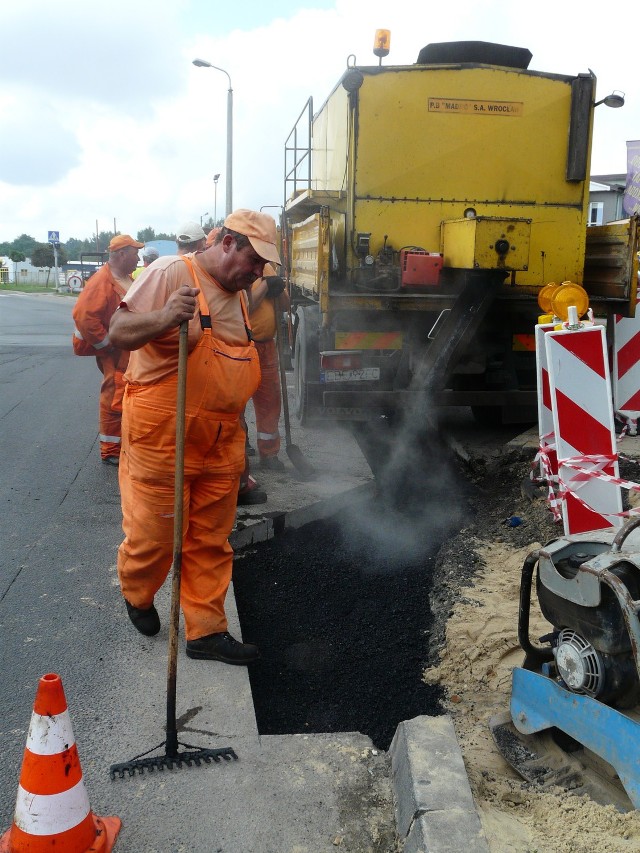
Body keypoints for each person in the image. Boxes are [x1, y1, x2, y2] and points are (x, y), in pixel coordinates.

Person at [109, 209, 281, 665]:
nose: (257, 272)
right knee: (156, 538)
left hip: (220, 445)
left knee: (210, 540)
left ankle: (205, 631)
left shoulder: (241, 295)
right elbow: (118, 331)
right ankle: (138, 593)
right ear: (227, 242)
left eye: (264, 266)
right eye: (254, 260)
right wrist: (166, 316)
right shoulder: (171, 272)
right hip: (165, 438)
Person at [72, 234, 144, 465]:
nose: (139, 258)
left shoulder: (123, 278)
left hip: (124, 349)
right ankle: (111, 449)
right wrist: (107, 345)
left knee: (122, 395)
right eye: (135, 253)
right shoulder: (102, 281)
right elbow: (84, 317)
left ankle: (121, 445)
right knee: (114, 396)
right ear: (122, 254)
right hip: (115, 351)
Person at [247, 262, 289, 471]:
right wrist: (265, 285)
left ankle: (269, 453)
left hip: (267, 346)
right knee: (234, 403)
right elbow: (246, 307)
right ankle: (238, 452)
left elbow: (285, 305)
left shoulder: (268, 268)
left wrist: (279, 289)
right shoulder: (238, 268)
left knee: (270, 401)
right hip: (243, 345)